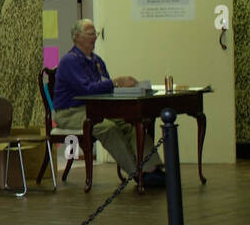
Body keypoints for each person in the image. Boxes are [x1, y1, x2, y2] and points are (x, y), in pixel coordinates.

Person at [52, 19, 166, 188]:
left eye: (95, 34)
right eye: (90, 34)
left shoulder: (97, 61)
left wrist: (127, 88)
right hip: (71, 112)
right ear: (77, 37)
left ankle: (154, 167)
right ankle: (138, 173)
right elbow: (88, 89)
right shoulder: (70, 61)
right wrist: (116, 82)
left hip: (96, 109)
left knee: (131, 124)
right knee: (107, 128)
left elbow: (105, 88)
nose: (95, 38)